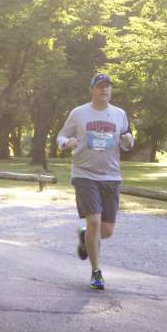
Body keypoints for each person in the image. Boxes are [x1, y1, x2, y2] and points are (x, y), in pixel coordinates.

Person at [57, 73, 134, 290]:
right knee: (94, 222)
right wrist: (66, 143)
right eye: (100, 86)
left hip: (111, 176)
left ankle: (85, 236)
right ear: (92, 89)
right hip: (84, 174)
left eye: (108, 87)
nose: (104, 90)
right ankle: (96, 272)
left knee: (107, 231)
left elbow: (126, 139)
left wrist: (129, 140)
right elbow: (61, 136)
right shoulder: (79, 113)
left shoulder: (119, 114)